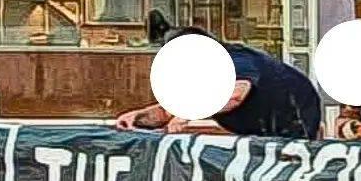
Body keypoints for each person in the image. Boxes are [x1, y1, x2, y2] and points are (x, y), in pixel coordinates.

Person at [116, 26, 321, 139]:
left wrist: (187, 115)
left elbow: (237, 94)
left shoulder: (235, 58)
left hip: (293, 120)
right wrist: (138, 117)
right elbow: (169, 111)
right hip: (259, 133)